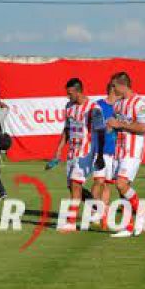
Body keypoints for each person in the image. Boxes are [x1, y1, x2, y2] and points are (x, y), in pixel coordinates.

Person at [50, 78, 106, 232]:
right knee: (73, 187)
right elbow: (67, 129)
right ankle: (98, 209)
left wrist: (100, 155)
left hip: (86, 152)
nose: (68, 96)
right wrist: (59, 150)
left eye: (70, 93)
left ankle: (71, 222)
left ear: (78, 91)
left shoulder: (93, 108)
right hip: (72, 152)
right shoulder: (69, 106)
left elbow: (100, 133)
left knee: (75, 184)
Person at [106, 72, 145, 238]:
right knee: (121, 190)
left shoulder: (139, 103)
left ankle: (140, 213)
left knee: (121, 184)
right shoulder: (117, 105)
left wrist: (119, 124)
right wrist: (112, 126)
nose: (112, 89)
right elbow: (119, 125)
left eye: (114, 86)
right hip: (120, 150)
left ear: (122, 85)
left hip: (133, 150)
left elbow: (144, 127)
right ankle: (129, 225)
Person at [91, 83, 120, 228]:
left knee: (108, 183)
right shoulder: (98, 106)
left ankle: (104, 213)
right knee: (98, 182)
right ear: (113, 90)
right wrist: (107, 126)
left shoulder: (121, 108)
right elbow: (95, 126)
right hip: (100, 151)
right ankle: (94, 211)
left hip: (115, 151)